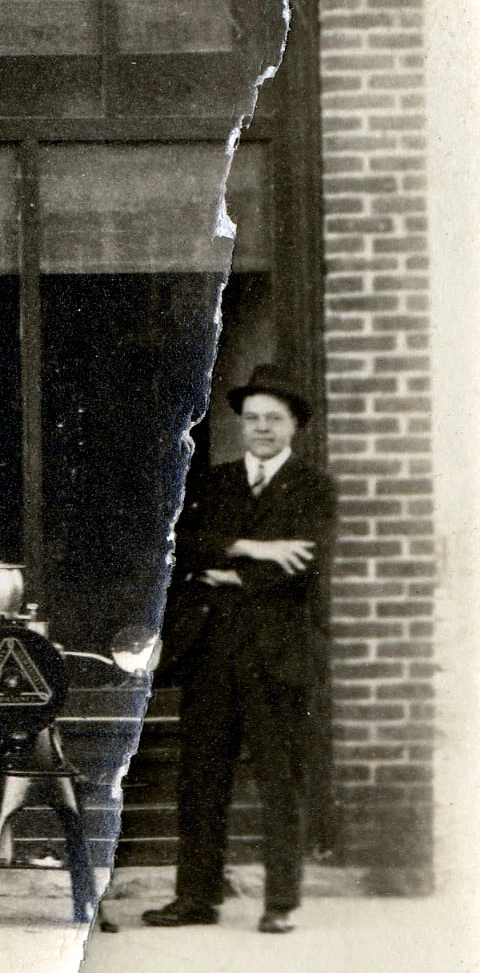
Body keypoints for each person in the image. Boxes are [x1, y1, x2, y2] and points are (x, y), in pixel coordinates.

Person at [143, 371, 334, 935]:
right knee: (201, 777)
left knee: (280, 778)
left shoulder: (313, 487)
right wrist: (252, 547)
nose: (263, 428)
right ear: (241, 424)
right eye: (253, 418)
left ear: (294, 425)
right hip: (213, 652)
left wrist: (227, 572)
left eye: (274, 418)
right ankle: (195, 898)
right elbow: (181, 545)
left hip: (277, 654)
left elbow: (304, 565)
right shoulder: (217, 482)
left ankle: (279, 903)